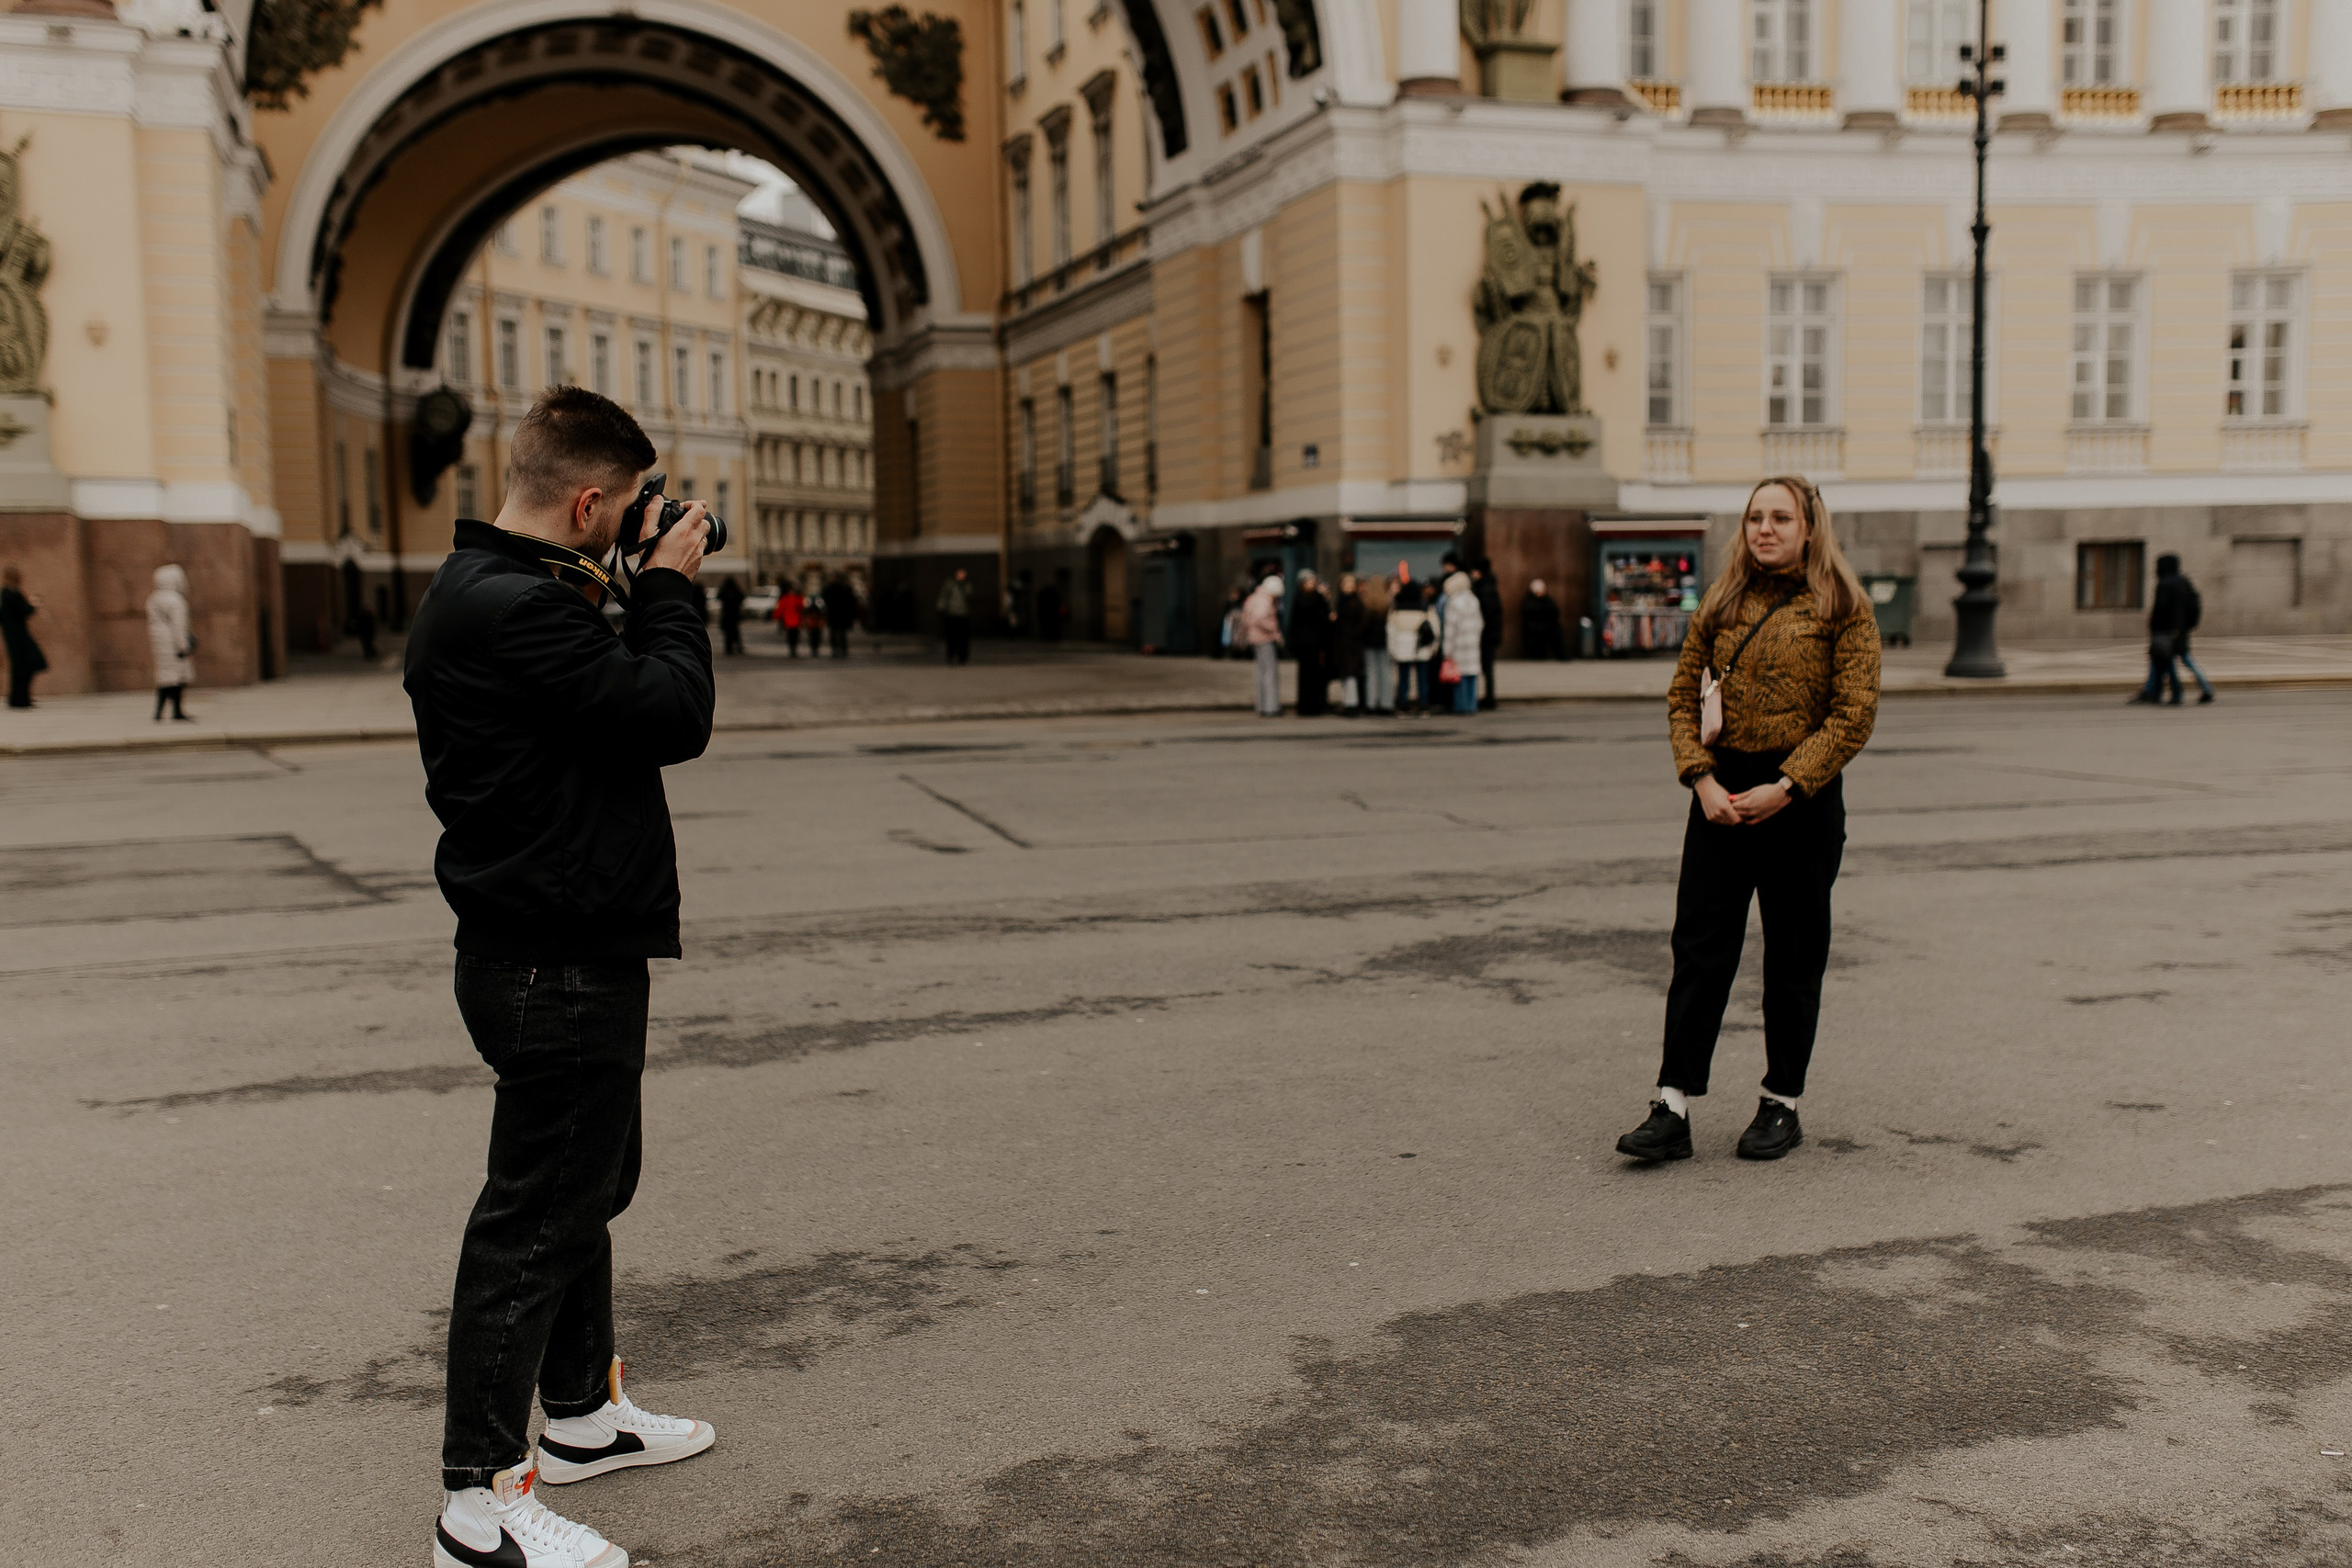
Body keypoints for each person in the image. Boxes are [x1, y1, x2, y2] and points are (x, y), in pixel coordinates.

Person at [402, 387, 717, 1568]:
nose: (638, 522)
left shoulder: (502, 590)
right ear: (588, 500)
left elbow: (599, 693)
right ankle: (477, 1506)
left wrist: (630, 580)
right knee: (534, 1222)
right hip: (552, 958)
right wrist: (673, 588)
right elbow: (669, 712)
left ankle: (582, 1417)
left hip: (556, 944)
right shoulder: (514, 611)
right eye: (627, 505)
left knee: (584, 1189)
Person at [1617, 475, 1881, 1167]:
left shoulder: (1843, 606)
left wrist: (1788, 786)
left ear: (1809, 528)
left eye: (1780, 517)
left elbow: (1853, 714)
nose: (1765, 528)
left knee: (1793, 958)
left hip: (1801, 800)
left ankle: (1780, 1102)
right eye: (1755, 517)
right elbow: (1682, 697)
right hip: (1721, 798)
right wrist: (1700, 778)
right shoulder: (1720, 601)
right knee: (1700, 950)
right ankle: (1672, 1105)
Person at [2132, 554, 2212, 706]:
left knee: (2164, 660)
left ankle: (2164, 692)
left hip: (2166, 630)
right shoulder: (2183, 582)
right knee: (2171, 660)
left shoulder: (2165, 584)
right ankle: (2204, 689)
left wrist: (2155, 626)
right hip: (2180, 629)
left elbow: (2161, 609)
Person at [148, 563, 196, 723]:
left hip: (159, 642)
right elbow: (179, 625)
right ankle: (176, 711)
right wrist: (184, 645)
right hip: (173, 643)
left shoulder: (153, 599)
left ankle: (160, 711)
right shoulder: (175, 601)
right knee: (176, 679)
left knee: (165, 678)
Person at [1385, 564, 1437, 715]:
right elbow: (1435, 629)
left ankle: (1402, 704)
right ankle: (1424, 705)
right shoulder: (1425, 607)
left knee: (1403, 679)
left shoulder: (1396, 609)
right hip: (1422, 647)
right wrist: (1434, 646)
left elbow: (1391, 631)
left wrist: (1392, 649)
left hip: (1402, 646)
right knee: (1422, 679)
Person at [1440, 570, 1485, 715]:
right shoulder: (1474, 600)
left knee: (1459, 678)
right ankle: (1472, 705)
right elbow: (1480, 623)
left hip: (1459, 645)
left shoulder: (1454, 602)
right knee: (1472, 677)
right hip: (1472, 644)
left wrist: (1447, 650)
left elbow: (1450, 628)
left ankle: (1461, 706)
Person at [1287, 570, 1333, 716]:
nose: (1311, 585)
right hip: (1304, 643)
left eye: (1313, 582)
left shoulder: (1319, 598)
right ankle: (1305, 706)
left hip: (1317, 642)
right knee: (1305, 676)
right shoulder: (1299, 598)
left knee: (1316, 675)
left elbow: (1324, 619)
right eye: (1309, 582)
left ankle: (1316, 705)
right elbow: (1295, 621)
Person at [1, 564, 45, 708]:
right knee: (29, 663)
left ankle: (18, 698)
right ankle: (20, 699)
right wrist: (33, 604)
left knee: (21, 666)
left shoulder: (6, 593)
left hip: (13, 635)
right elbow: (23, 611)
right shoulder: (11, 593)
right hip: (18, 635)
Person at [1239, 574, 1283, 716]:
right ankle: (1271, 707)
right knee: (1270, 673)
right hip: (1265, 638)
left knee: (1261, 673)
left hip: (1255, 638)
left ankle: (1262, 706)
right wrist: (1273, 629)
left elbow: (1246, 617)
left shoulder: (1253, 598)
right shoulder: (1265, 600)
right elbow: (1258, 618)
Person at [1332, 572, 1368, 716]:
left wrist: (1353, 636)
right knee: (1346, 675)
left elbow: (1361, 623)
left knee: (1351, 674)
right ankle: (1349, 702)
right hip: (1343, 643)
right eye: (1345, 584)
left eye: (1351, 584)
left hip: (1352, 644)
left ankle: (1351, 704)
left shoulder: (1356, 602)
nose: (1348, 587)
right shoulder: (1342, 601)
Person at [1473, 559, 1504, 710]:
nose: (1473, 574)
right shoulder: (1487, 587)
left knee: (1487, 667)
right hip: (1489, 634)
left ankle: (1489, 698)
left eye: (1475, 571)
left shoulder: (1485, 590)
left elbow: (1488, 615)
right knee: (1486, 667)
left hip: (1486, 635)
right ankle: (1488, 697)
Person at [937, 567, 975, 665]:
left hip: (963, 614)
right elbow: (944, 596)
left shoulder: (967, 585)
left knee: (963, 638)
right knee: (952, 637)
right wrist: (941, 607)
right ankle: (951, 656)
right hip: (952, 613)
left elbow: (970, 596)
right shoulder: (950, 585)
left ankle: (962, 657)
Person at [1521, 578, 1565, 660]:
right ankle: (1536, 655)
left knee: (1556, 630)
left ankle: (1561, 654)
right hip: (1535, 626)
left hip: (1547, 625)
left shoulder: (1547, 600)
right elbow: (1529, 614)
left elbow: (1554, 612)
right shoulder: (1529, 601)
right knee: (1535, 630)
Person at [822, 574, 859, 658]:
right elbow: (852, 603)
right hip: (841, 614)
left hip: (836, 614)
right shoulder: (844, 589)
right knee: (840, 633)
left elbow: (851, 603)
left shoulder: (831, 589)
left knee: (837, 632)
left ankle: (837, 648)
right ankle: (841, 648)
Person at [716, 575, 746, 656]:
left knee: (728, 634)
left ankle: (729, 648)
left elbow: (719, 597)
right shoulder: (735, 590)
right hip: (734, 614)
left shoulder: (724, 591)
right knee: (735, 632)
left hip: (727, 615)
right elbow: (742, 597)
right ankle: (738, 647)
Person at [775, 582, 805, 653]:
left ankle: (792, 648)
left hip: (790, 620)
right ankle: (793, 648)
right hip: (793, 620)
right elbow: (801, 607)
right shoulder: (796, 598)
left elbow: (780, 609)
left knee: (791, 635)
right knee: (794, 635)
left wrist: (776, 616)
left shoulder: (786, 598)